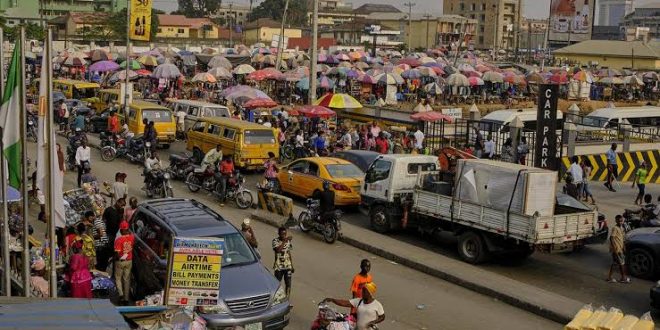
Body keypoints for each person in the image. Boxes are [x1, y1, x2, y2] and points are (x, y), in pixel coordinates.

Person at [114, 221, 135, 304]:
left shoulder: (119, 240)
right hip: (129, 260)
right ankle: (126, 299)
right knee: (127, 279)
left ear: (121, 230)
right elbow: (130, 233)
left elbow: (117, 253)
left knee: (118, 278)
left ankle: (121, 295)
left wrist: (114, 259)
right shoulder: (132, 237)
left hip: (120, 261)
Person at [606, 215, 630, 283]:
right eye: (619, 221)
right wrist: (615, 249)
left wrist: (624, 247)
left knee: (615, 263)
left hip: (620, 248)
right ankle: (623, 278)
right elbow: (611, 238)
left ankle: (609, 278)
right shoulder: (615, 228)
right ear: (616, 221)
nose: (620, 222)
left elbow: (622, 239)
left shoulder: (621, 228)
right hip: (617, 249)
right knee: (622, 263)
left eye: (621, 221)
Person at [272, 227, 293, 296]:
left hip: (288, 266)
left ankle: (287, 300)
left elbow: (289, 253)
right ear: (279, 234)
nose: (284, 235)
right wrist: (285, 241)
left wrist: (292, 265)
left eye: (285, 234)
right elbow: (278, 250)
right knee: (277, 284)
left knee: (288, 284)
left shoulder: (288, 242)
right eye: (282, 234)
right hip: (279, 266)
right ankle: (276, 299)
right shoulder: (275, 241)